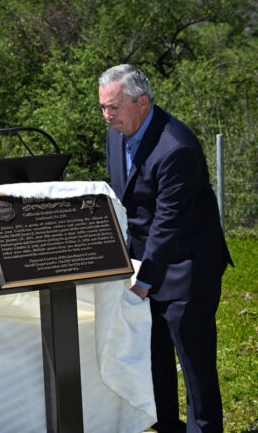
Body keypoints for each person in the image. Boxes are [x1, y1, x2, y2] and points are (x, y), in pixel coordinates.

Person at [99, 64, 233, 432]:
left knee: (194, 364)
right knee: (154, 359)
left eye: (115, 107)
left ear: (142, 102)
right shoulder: (117, 132)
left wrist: (143, 283)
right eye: (104, 108)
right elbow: (126, 202)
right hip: (146, 263)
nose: (108, 116)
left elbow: (166, 224)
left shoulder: (177, 147)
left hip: (187, 267)